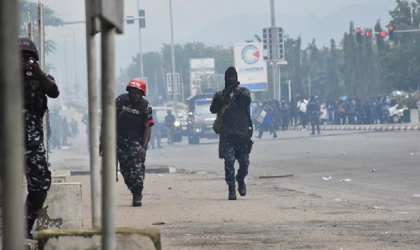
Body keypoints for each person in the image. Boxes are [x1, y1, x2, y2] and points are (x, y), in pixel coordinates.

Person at [20, 37, 60, 239]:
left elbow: (54, 92)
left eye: (28, 57)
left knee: (41, 183)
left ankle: (23, 225)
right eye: (20, 56)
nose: (24, 60)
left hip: (32, 143)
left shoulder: (42, 78)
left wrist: (37, 72)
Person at [100, 78, 154, 207]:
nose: (136, 95)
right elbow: (107, 120)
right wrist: (102, 141)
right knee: (125, 170)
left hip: (135, 142)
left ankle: (137, 193)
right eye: (133, 92)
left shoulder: (145, 106)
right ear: (129, 91)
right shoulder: (120, 101)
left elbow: (148, 127)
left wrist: (144, 148)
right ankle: (132, 188)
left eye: (138, 93)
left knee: (137, 169)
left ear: (142, 94)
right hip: (118, 140)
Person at [210, 66, 253, 200]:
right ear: (225, 79)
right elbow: (213, 109)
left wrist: (236, 92)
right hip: (228, 136)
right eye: (228, 77)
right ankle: (231, 189)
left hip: (242, 136)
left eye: (233, 76)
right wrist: (225, 96)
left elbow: (247, 100)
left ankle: (240, 179)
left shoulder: (244, 92)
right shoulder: (220, 95)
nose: (231, 79)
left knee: (244, 164)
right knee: (229, 163)